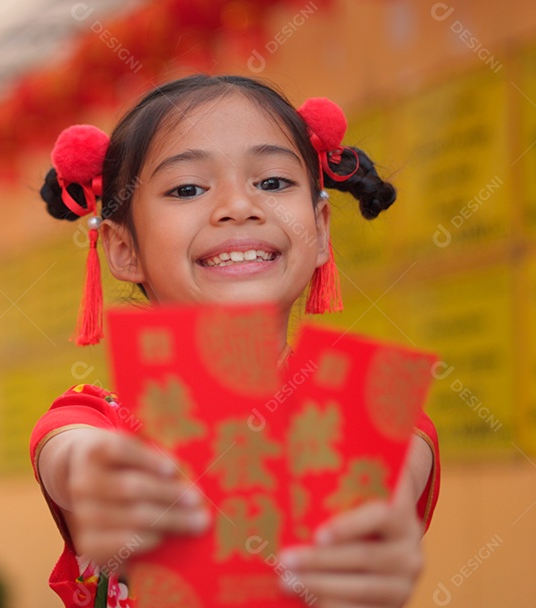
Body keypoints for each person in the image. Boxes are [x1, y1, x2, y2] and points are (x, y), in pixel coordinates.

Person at [29, 75, 440, 608]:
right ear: (124, 248)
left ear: (320, 229)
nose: (239, 206)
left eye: (272, 182)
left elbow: (389, 480)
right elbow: (70, 459)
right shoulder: (96, 424)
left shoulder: (377, 418)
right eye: (187, 189)